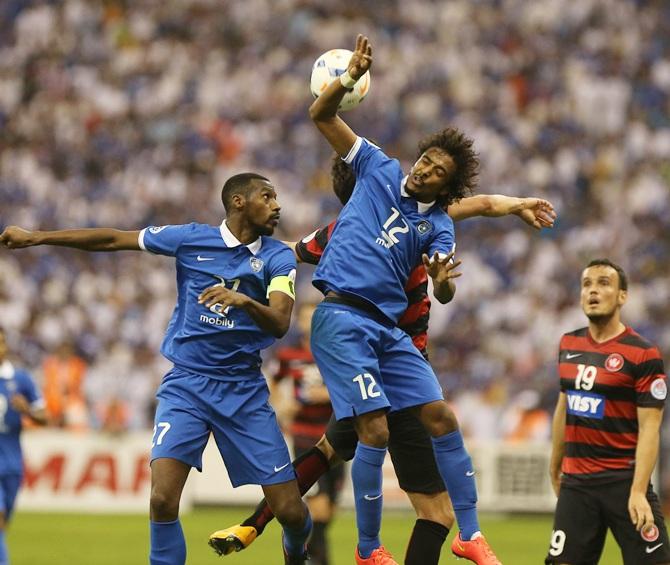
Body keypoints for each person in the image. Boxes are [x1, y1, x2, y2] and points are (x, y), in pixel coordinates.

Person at [210, 156, 555, 565]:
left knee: (327, 451)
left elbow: (290, 250)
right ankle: (366, 545)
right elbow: (471, 206)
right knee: (436, 511)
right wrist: (514, 205)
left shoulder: (338, 233)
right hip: (399, 364)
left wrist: (233, 255)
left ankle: (256, 523)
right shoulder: (408, 224)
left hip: (368, 359)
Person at [0, 173, 313, 565]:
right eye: (267, 197)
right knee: (162, 499)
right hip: (187, 386)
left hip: (243, 390)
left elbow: (281, 321)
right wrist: (38, 237)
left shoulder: (277, 257)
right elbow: (115, 239)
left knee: (289, 511)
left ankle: (297, 548)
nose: (277, 205)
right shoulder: (190, 238)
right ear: (238, 202)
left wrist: (244, 301)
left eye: (277, 197)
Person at [304, 32, 513, 564]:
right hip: (343, 316)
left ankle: (468, 533)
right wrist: (348, 78)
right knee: (372, 426)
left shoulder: (439, 226)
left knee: (441, 416)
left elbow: (443, 291)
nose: (423, 168)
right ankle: (369, 548)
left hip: (391, 333)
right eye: (425, 160)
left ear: (446, 187)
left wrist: (443, 280)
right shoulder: (377, 167)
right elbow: (322, 116)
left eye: (437, 171)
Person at [546, 259, 670, 565]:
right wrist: (555, 463)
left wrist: (639, 491)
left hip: (624, 481)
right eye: (587, 284)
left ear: (622, 296)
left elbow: (651, 428)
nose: (593, 291)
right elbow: (565, 406)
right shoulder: (568, 343)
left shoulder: (643, 353)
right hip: (577, 484)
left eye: (603, 283)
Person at [0, 328, 48, 565]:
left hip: (11, 463)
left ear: (6, 346)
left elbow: (45, 417)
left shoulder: (20, 379)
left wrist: (26, 410)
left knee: (3, 525)